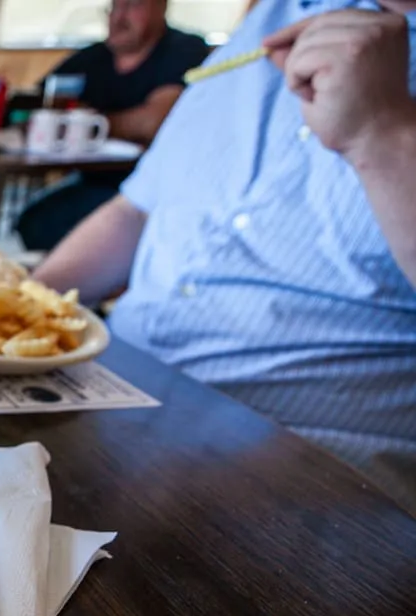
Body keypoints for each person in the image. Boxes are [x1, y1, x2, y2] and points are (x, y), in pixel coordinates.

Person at [33, 0, 416, 514]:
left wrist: (384, 135)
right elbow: (138, 208)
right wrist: (25, 300)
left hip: (315, 476)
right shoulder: (269, 19)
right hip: (112, 391)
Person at [16, 0, 210, 250]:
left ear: (160, 8)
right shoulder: (92, 58)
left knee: (56, 225)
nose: (119, 17)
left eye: (132, 6)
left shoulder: (183, 49)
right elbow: (29, 108)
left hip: (157, 187)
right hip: (94, 180)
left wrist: (89, 123)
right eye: (114, 8)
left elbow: (155, 122)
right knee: (33, 222)